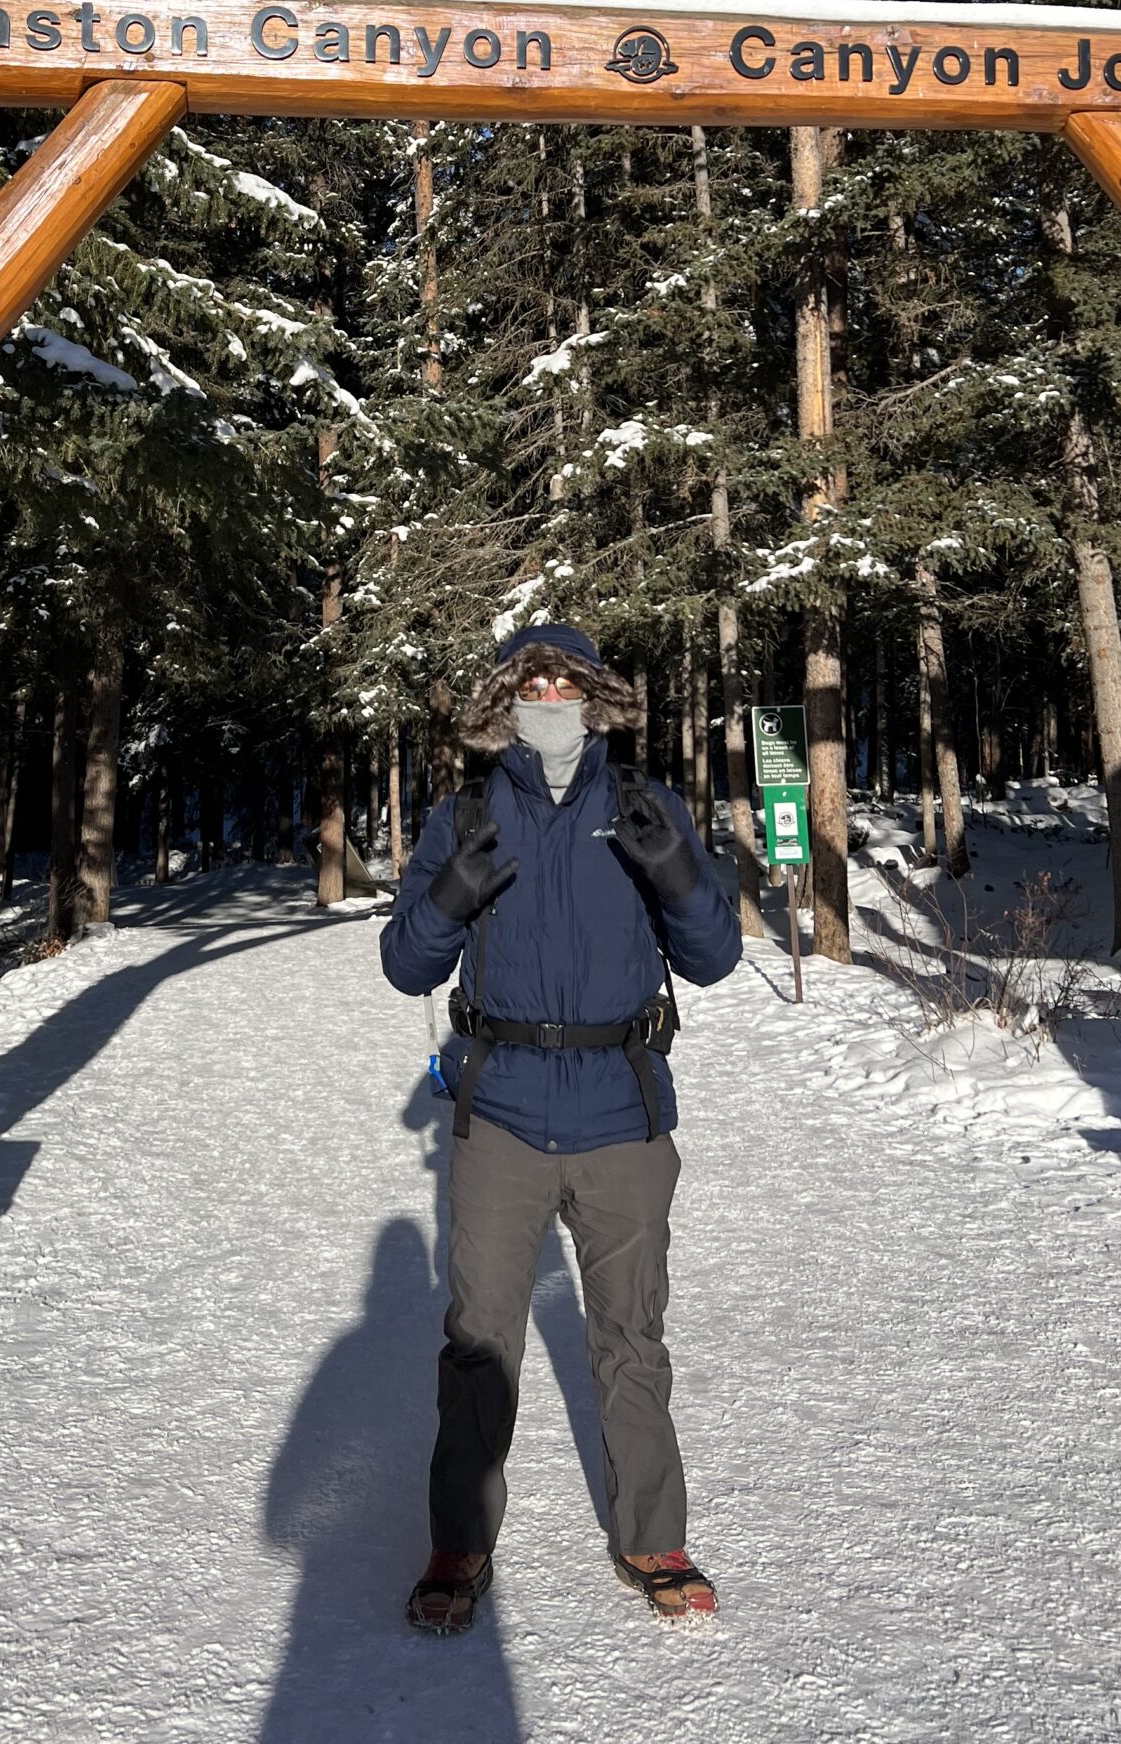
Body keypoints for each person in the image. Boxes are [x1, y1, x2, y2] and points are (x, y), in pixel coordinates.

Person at [380, 623, 742, 1634]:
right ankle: (460, 1540)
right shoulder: (466, 812)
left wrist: (676, 872)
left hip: (623, 1114)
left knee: (631, 1332)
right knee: (479, 1339)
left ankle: (653, 1537)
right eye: (531, 684)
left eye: (567, 684)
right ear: (506, 702)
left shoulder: (645, 805)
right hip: (500, 1115)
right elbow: (406, 963)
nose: (549, 699)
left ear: (597, 699)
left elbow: (712, 958)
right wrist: (452, 893)